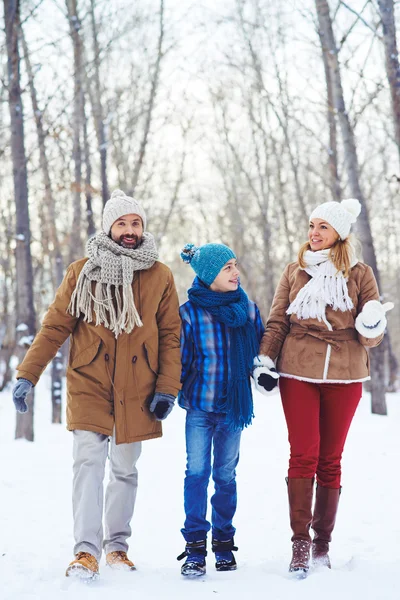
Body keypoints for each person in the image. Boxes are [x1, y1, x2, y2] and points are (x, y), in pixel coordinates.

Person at [12, 189, 181, 580]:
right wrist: (27, 374)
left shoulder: (160, 275)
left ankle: (117, 548)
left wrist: (167, 387)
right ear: (109, 227)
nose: (129, 230)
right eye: (121, 223)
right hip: (90, 380)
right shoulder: (81, 271)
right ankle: (85, 551)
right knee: (88, 462)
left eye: (135, 223)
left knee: (125, 469)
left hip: (139, 385)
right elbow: (56, 326)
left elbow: (171, 335)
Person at [254, 198, 393, 577]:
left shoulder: (360, 274)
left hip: (345, 374)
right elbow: (278, 320)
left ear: (339, 234)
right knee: (303, 454)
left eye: (322, 227)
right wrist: (265, 359)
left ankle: (322, 544)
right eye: (311, 225)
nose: (313, 233)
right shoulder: (294, 270)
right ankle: (299, 542)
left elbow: (372, 336)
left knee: (331, 458)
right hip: (298, 370)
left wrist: (371, 323)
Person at [176, 243, 265, 576]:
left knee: (225, 477)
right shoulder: (188, 313)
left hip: (233, 409)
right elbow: (180, 362)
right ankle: (195, 547)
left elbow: (260, 355)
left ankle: (224, 545)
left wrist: (265, 375)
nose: (235, 272)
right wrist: (166, 393)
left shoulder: (249, 310)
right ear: (210, 275)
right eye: (227, 267)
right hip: (199, 407)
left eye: (235, 264)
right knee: (196, 475)